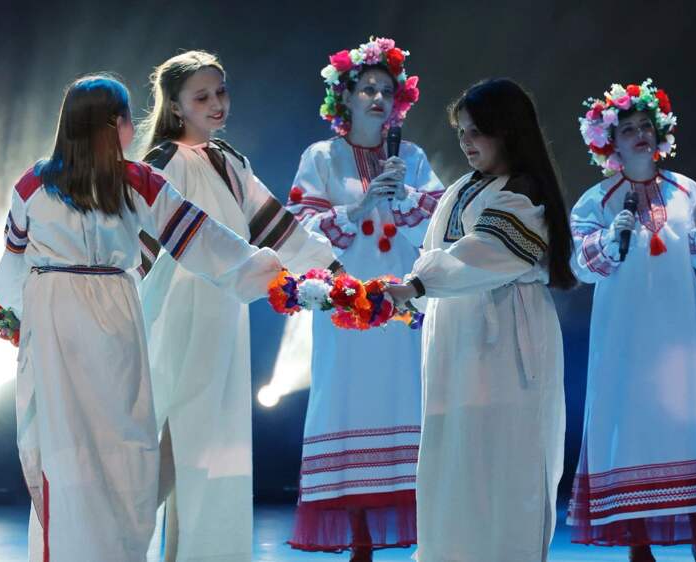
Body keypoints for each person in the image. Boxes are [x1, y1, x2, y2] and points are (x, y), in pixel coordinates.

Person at [0, 74, 284, 562]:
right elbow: (203, 240)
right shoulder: (131, 181)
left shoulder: (40, 183)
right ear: (114, 124)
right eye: (127, 119)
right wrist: (265, 272)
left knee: (69, 446)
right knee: (122, 442)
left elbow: (12, 260)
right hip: (108, 315)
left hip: (58, 314)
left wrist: (16, 312)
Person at [135, 50, 337, 562]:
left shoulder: (228, 160)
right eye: (202, 96)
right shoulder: (163, 162)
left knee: (205, 440)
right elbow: (137, 240)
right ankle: (117, 537)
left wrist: (335, 275)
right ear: (176, 106)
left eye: (220, 92)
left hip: (225, 309)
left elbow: (277, 227)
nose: (216, 104)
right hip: (178, 309)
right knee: (173, 433)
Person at [386, 78, 575, 562]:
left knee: (502, 456)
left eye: (477, 132)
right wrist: (412, 295)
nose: (467, 143)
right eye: (462, 133)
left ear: (507, 131)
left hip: (504, 340)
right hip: (456, 338)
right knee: (452, 453)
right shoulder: (461, 188)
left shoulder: (522, 192)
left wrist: (417, 286)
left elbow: (483, 254)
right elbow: (437, 255)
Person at [567, 78, 696, 562]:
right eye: (628, 129)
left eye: (646, 126)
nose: (640, 134)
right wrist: (611, 239)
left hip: (678, 335)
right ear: (611, 143)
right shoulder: (596, 201)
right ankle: (638, 545)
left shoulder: (685, 190)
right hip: (624, 338)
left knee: (687, 425)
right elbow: (580, 266)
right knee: (630, 429)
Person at [282, 37, 443, 561]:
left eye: (386, 91)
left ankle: (422, 532)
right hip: (347, 307)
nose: (378, 98)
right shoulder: (321, 157)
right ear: (345, 98)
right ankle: (359, 538)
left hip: (400, 303)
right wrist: (357, 208)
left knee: (405, 399)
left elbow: (442, 226)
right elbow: (299, 230)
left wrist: (405, 197)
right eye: (367, 89)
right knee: (346, 403)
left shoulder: (411, 158)